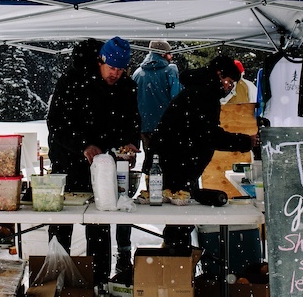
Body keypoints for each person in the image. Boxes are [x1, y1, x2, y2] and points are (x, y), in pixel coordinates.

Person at [46, 36, 141, 287]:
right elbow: (56, 123)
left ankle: (99, 283)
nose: (115, 74)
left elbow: (132, 121)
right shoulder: (72, 81)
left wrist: (131, 143)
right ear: (101, 61)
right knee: (62, 225)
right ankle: (55, 282)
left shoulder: (127, 87)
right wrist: (82, 145)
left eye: (121, 70)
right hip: (68, 162)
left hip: (104, 168)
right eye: (112, 68)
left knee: (100, 226)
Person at [147, 55, 259, 247]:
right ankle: (173, 264)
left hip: (175, 164)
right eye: (228, 82)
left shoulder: (199, 91)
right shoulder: (203, 95)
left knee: (180, 222)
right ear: (218, 74)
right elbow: (208, 135)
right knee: (180, 222)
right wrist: (244, 141)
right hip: (174, 166)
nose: (228, 87)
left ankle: (174, 262)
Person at [116, 40, 182, 274]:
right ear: (166, 55)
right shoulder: (171, 71)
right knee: (170, 177)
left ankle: (123, 250)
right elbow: (178, 100)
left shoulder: (137, 72)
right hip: (167, 129)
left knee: (149, 169)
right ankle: (172, 242)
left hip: (143, 129)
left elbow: (130, 103)